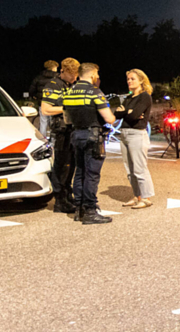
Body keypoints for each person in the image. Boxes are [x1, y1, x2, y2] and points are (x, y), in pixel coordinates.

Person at [63, 63, 116, 224]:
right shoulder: (95, 92)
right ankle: (90, 211)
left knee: (80, 172)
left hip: (76, 135)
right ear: (93, 75)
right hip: (93, 136)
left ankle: (79, 209)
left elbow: (67, 118)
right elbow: (109, 119)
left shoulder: (70, 92)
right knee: (92, 175)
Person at [41, 57, 80, 213]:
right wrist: (67, 108)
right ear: (63, 71)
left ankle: (67, 195)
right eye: (72, 75)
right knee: (62, 166)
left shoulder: (73, 84)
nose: (74, 78)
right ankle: (60, 200)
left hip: (73, 130)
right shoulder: (53, 85)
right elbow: (45, 109)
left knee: (72, 166)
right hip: (61, 132)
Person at [116, 69, 155, 209]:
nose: (129, 81)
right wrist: (129, 112)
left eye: (132, 79)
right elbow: (117, 115)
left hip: (136, 134)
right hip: (124, 134)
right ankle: (137, 196)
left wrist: (126, 112)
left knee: (139, 168)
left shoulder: (145, 97)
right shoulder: (128, 98)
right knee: (129, 169)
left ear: (141, 81)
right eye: (128, 79)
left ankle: (146, 198)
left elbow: (134, 116)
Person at [29, 60, 59, 136]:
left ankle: (43, 139)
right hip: (55, 104)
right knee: (54, 123)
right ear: (54, 67)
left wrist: (34, 96)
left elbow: (32, 88)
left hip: (42, 102)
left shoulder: (39, 77)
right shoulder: (58, 77)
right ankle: (54, 139)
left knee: (43, 122)